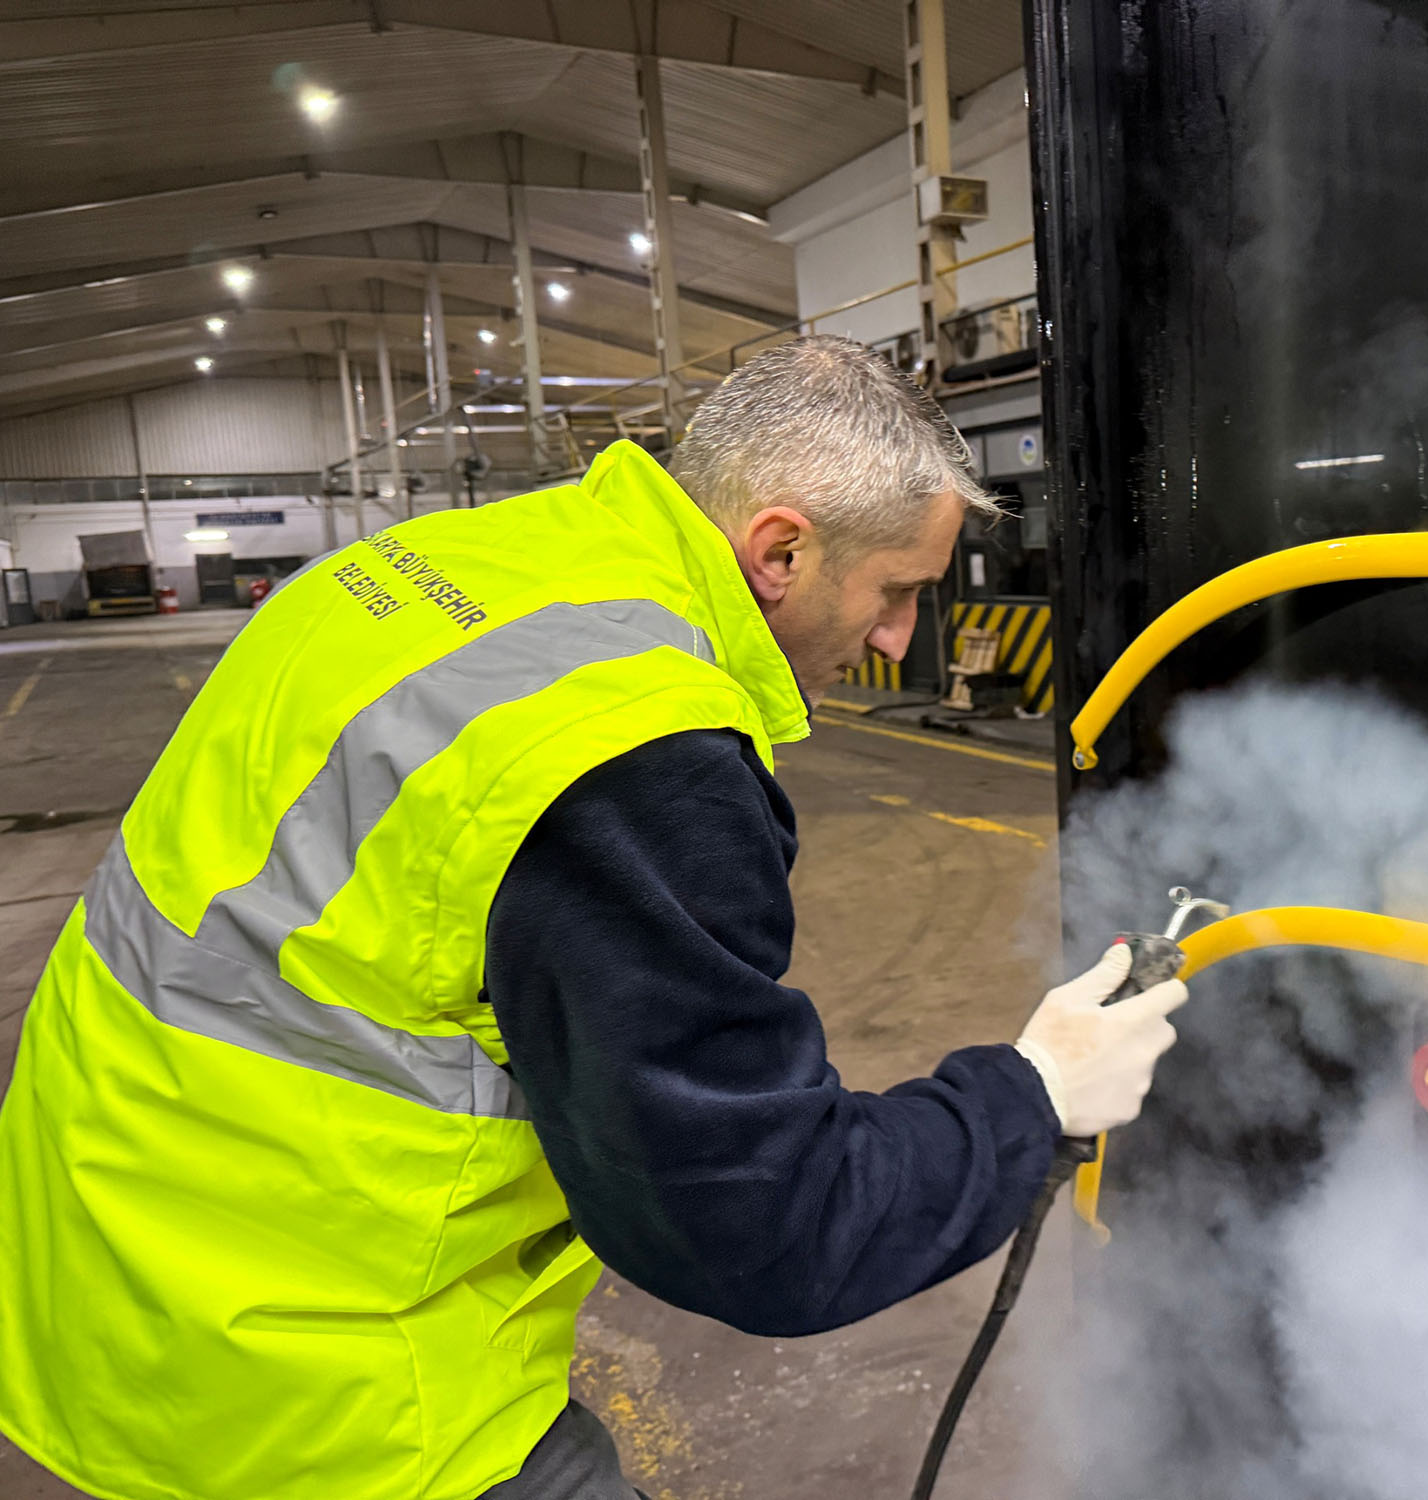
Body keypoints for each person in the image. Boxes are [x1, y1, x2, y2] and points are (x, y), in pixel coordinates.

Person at [0, 337, 1187, 1500]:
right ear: (779, 550)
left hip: (100, 1251)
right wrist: (1033, 1094)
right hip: (304, 1367)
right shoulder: (631, 750)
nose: (896, 640)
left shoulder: (418, 568)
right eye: (898, 593)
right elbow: (764, 1225)